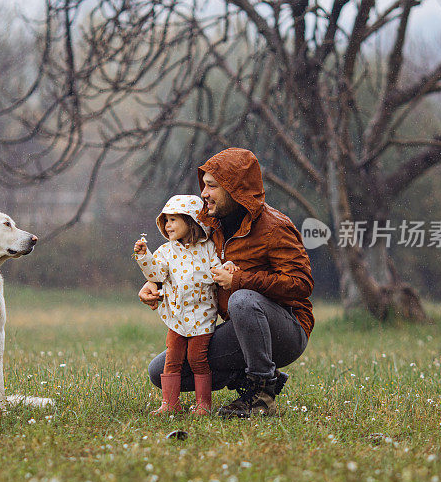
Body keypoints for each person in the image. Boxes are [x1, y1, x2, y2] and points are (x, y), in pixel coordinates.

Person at [141, 148, 314, 418]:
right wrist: (156, 285)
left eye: (212, 186)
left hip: (286, 331)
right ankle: (246, 378)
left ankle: (261, 392)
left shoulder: (274, 227)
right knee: (159, 372)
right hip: (240, 328)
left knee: (242, 299)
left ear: (236, 189)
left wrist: (239, 279)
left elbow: (301, 285)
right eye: (204, 185)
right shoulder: (211, 226)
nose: (204, 194)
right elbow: (187, 265)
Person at [133, 194, 236, 416]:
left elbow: (215, 271)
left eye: (173, 220)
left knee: (197, 358)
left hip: (202, 318)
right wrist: (144, 257)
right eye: (166, 220)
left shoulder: (207, 249)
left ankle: (203, 405)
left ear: (190, 221)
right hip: (176, 318)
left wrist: (226, 269)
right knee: (173, 358)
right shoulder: (166, 251)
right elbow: (156, 273)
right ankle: (170, 404)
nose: (168, 225)